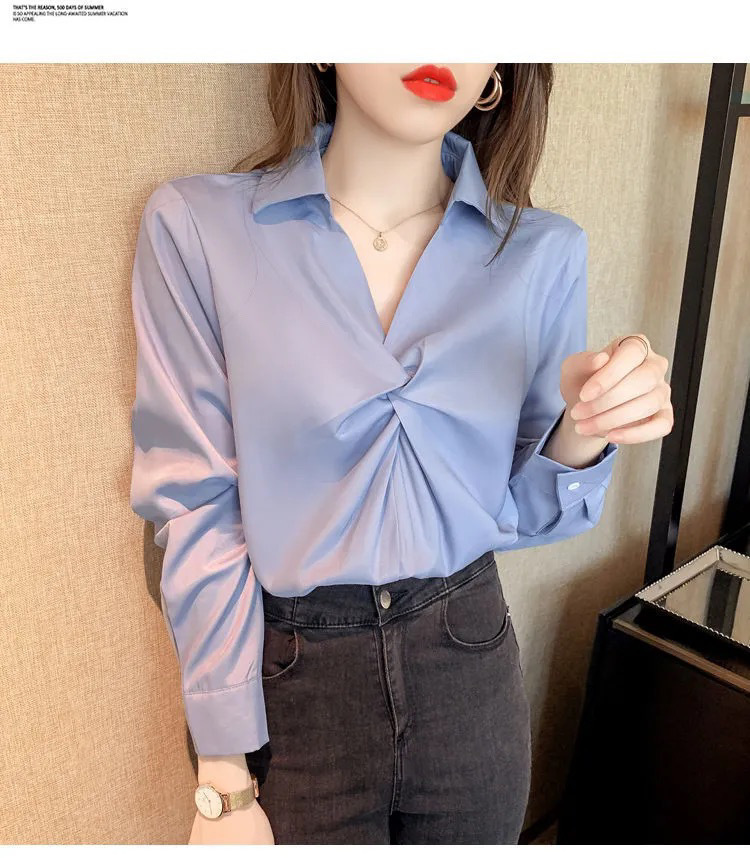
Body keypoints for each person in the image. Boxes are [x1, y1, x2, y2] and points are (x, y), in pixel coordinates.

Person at [128, 63, 672, 845]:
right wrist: (224, 780)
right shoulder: (199, 229)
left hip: (469, 663)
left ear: (496, 73)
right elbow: (196, 506)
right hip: (295, 681)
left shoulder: (542, 252)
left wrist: (588, 427)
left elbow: (524, 512)